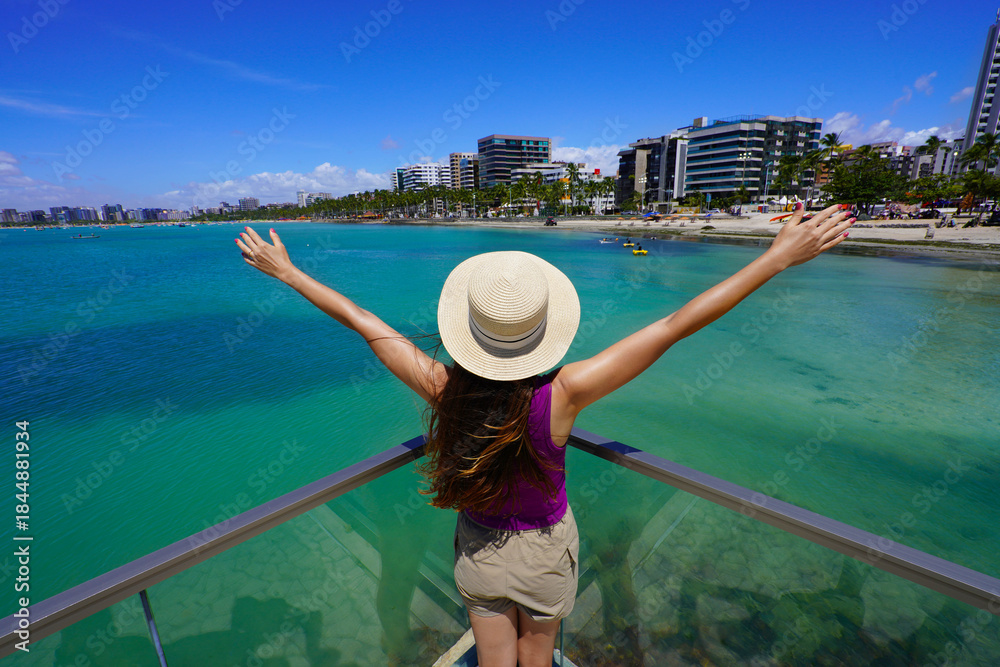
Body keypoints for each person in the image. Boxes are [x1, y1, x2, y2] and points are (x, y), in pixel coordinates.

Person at [234, 202, 854, 667]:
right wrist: (776, 258)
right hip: (545, 550)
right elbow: (674, 325)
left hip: (478, 548)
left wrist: (287, 272)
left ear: (470, 331)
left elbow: (362, 321)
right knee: (540, 659)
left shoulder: (442, 389)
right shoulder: (565, 393)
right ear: (541, 330)